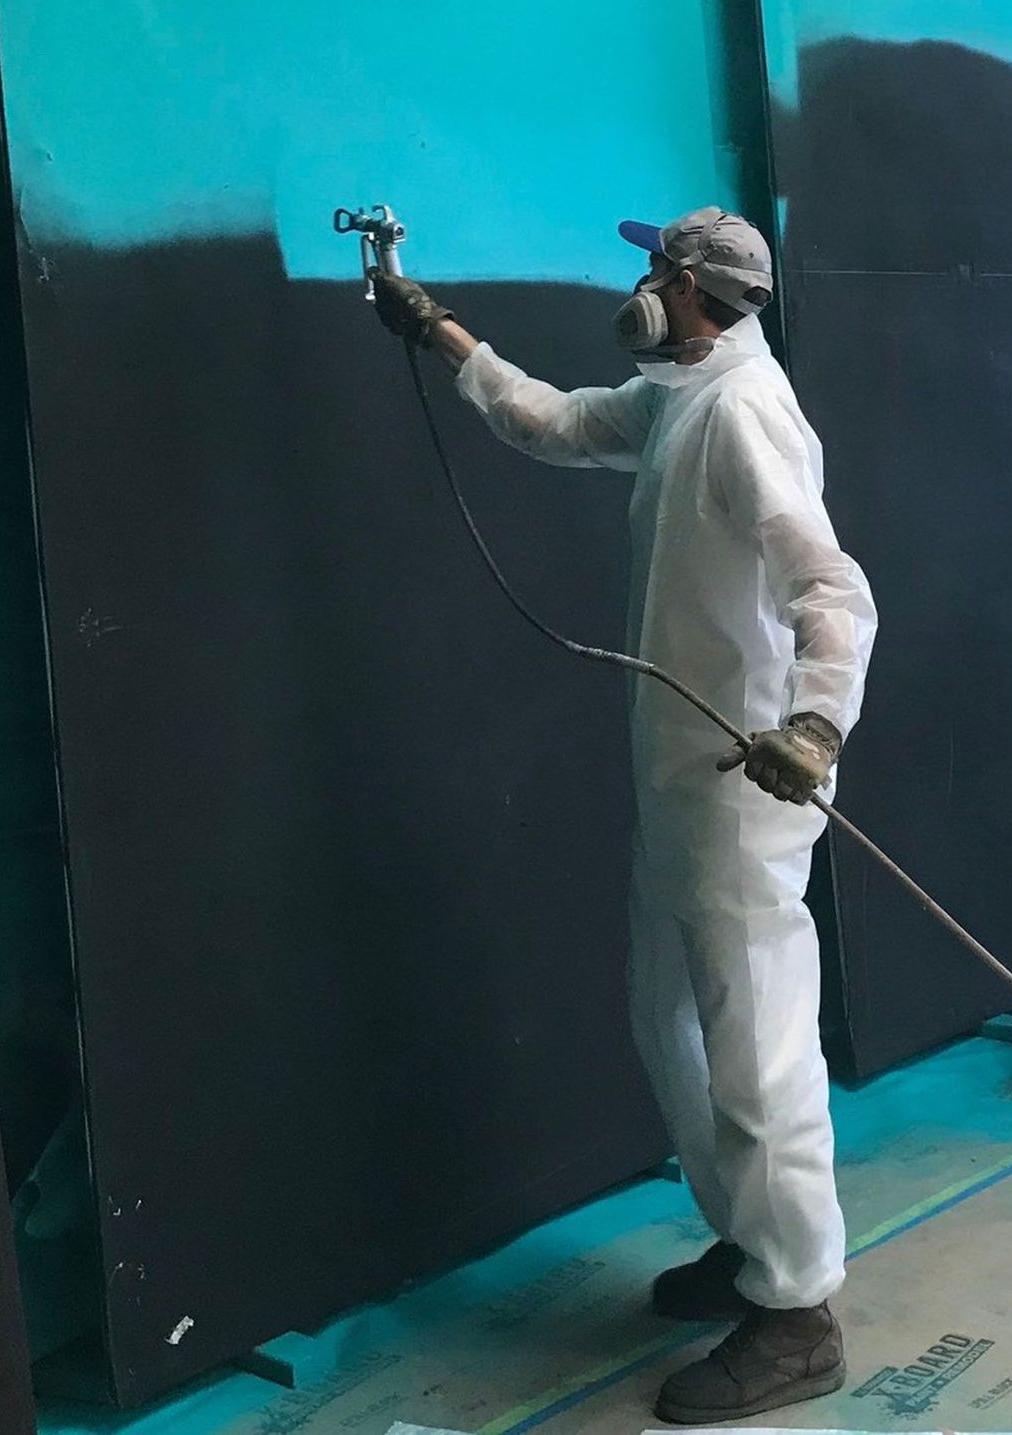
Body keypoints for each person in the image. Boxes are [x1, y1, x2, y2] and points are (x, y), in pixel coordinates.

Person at [370, 208, 876, 1423]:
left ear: (700, 290)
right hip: (678, 781)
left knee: (755, 1052)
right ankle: (750, 1249)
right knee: (674, 1028)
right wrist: (440, 330)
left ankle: (799, 1309)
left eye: (659, 270)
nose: (641, 283)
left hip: (745, 782)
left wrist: (814, 723)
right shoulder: (679, 395)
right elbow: (548, 420)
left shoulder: (748, 414)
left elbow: (831, 586)